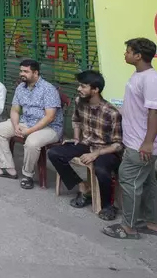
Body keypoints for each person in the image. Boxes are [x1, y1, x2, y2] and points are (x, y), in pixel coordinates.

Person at [103, 38, 157, 240]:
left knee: (129, 180)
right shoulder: (139, 76)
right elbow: (139, 107)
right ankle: (153, 223)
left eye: (128, 51)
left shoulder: (151, 80)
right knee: (147, 183)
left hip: (142, 144)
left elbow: (155, 112)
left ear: (138, 56)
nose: (125, 54)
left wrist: (148, 143)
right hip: (137, 141)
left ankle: (129, 227)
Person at [48, 70, 123, 221]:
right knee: (54, 153)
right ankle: (83, 187)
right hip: (87, 143)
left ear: (95, 90)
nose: (79, 89)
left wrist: (96, 154)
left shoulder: (111, 112)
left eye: (83, 86)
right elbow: (76, 120)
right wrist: (76, 137)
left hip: (106, 150)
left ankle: (108, 206)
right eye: (79, 86)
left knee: (101, 169)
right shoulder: (79, 102)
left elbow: (118, 145)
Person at [0, 59, 63, 190]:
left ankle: (27, 175)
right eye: (21, 71)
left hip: (49, 127)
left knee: (32, 142)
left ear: (36, 73)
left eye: (25, 71)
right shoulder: (20, 87)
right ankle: (8, 168)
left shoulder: (48, 89)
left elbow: (50, 117)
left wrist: (29, 131)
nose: (21, 74)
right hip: (26, 122)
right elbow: (15, 109)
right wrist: (16, 124)